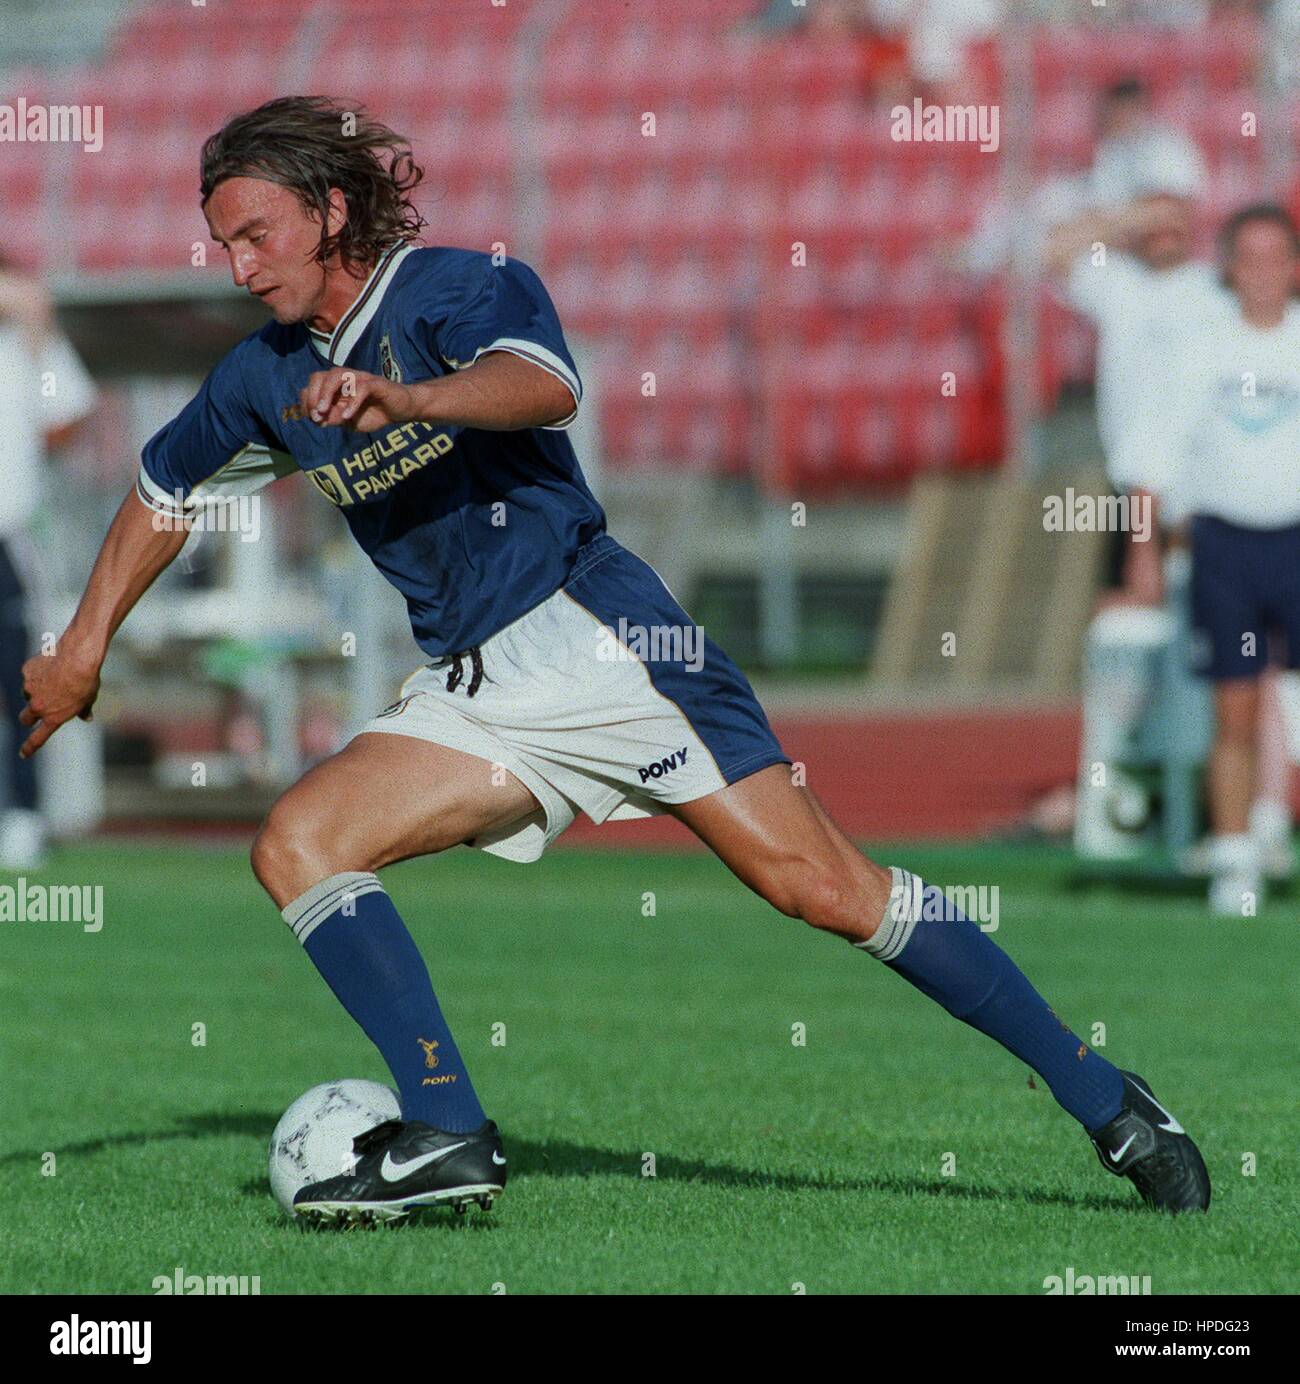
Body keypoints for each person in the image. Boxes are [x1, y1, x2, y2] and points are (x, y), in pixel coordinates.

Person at [20, 97, 1209, 1220]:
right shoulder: (259, 374)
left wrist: (405, 395)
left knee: (823, 889)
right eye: (221, 243)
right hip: (475, 687)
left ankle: (1104, 1098)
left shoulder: (454, 287)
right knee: (299, 841)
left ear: (331, 210)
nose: (237, 265)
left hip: (604, 640)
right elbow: (159, 491)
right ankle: (447, 1133)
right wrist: (80, 650)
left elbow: (544, 387)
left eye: (255, 234)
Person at [1114, 205, 1300, 914]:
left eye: (1274, 256)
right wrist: (1144, 552)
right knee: (1236, 705)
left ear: (1291, 266)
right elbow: (1149, 457)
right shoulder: (1199, 349)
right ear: (1228, 265)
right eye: (1247, 257)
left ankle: (1274, 824)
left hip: (1296, 540)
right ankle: (1233, 861)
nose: (1261, 272)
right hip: (1226, 545)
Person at [0, 258, 97, 869]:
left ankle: (23, 819)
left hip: (6, 542)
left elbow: (60, 427)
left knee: (20, 683)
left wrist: (38, 334)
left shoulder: (22, 352)